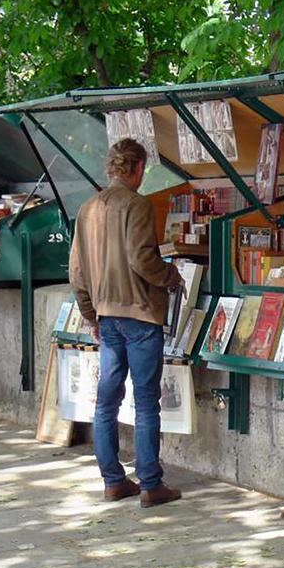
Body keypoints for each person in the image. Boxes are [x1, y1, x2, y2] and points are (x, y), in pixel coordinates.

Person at [69, 138, 185, 508]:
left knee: (106, 401)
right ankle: (151, 484)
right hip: (139, 313)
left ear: (111, 168)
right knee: (147, 402)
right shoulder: (137, 205)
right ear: (137, 169)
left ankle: (113, 481)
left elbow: (77, 272)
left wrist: (91, 315)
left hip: (107, 316)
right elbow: (141, 259)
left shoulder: (87, 209)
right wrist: (172, 276)